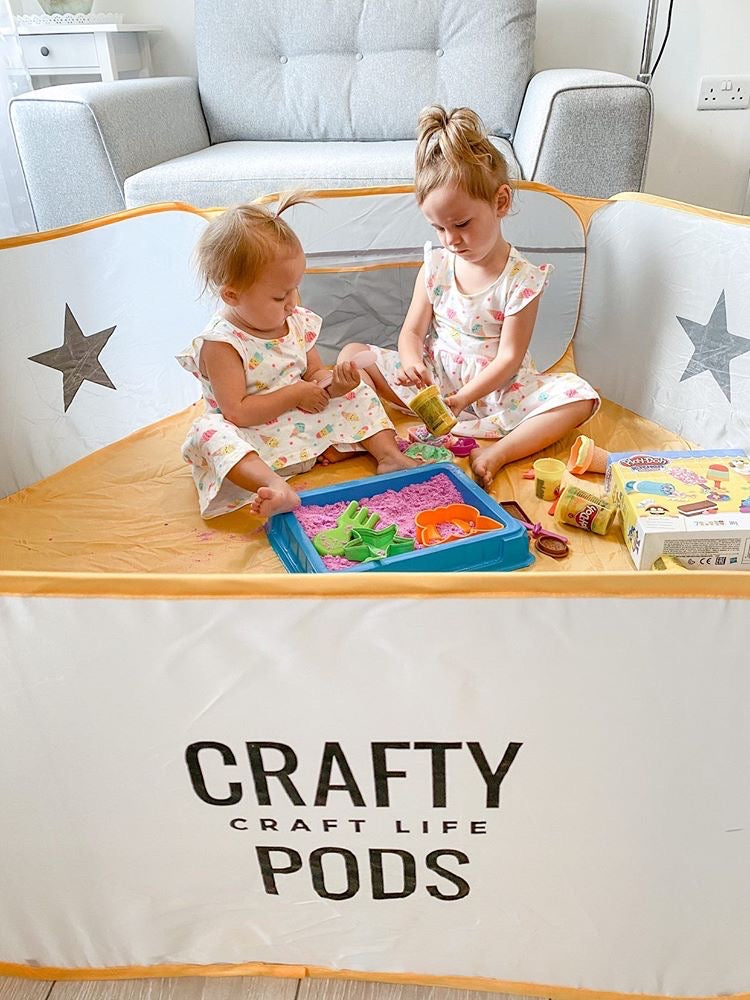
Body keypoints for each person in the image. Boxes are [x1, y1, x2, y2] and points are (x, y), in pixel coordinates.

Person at [338, 106, 600, 489]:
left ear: (501, 202)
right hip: (434, 381)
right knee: (351, 356)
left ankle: (498, 451)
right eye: (438, 228)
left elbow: (510, 358)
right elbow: (411, 333)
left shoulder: (521, 280)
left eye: (461, 224)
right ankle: (380, 444)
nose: (450, 239)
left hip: (495, 389)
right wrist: (412, 364)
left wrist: (462, 400)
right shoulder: (437, 266)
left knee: (581, 397)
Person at [177, 196, 415, 518]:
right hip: (255, 436)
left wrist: (333, 384)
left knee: (359, 390)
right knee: (210, 434)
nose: (292, 302)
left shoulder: (295, 320)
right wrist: (295, 394)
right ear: (232, 295)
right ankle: (275, 486)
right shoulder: (222, 344)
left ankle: (388, 455)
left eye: (295, 288)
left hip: (299, 420)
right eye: (279, 296)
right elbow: (237, 412)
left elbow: (314, 372)